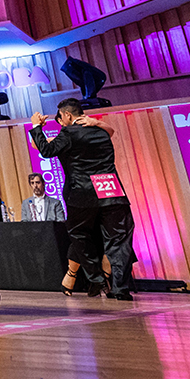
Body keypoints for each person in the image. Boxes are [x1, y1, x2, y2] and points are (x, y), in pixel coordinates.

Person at [30, 98, 134, 300]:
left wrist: (36, 126)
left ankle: (96, 279)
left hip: (83, 194)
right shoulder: (101, 131)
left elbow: (45, 150)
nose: (60, 122)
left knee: (79, 234)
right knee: (120, 241)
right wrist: (99, 123)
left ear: (67, 115)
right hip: (112, 192)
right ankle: (121, 289)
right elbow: (111, 132)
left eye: (60, 117)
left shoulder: (67, 134)